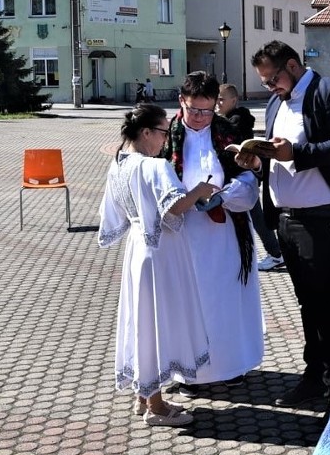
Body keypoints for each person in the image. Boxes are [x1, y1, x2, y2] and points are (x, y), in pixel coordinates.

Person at [239, 40, 330, 411]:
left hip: (321, 217)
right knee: (306, 304)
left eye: (272, 79)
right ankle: (313, 378)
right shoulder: (277, 102)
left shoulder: (329, 91)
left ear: (293, 66)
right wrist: (257, 163)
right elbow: (275, 153)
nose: (270, 87)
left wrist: (297, 154)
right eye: (264, 82)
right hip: (286, 217)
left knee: (322, 303)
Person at [98, 104, 217, 427]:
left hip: (138, 249)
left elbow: (116, 215)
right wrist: (200, 191)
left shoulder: (119, 165)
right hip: (162, 253)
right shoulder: (155, 167)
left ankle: (144, 395)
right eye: (164, 131)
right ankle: (156, 406)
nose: (167, 138)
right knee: (157, 323)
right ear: (146, 132)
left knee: (143, 320)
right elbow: (175, 207)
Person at [160, 71, 264, 397]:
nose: (201, 118)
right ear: (181, 102)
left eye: (207, 111)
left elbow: (247, 181)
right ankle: (189, 373)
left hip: (223, 235)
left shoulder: (226, 133)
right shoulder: (166, 136)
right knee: (187, 303)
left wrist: (227, 195)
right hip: (182, 235)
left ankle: (230, 365)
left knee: (225, 301)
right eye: (194, 110)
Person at [216, 83, 285, 271]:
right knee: (253, 218)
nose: (218, 103)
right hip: (238, 176)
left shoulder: (236, 120)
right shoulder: (229, 118)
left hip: (243, 177)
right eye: (217, 99)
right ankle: (275, 252)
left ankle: (276, 254)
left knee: (257, 218)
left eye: (222, 99)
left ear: (234, 100)